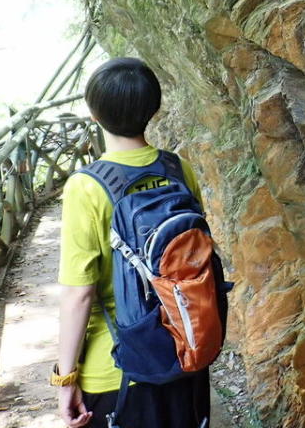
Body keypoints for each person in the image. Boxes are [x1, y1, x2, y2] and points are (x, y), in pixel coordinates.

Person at [54, 57, 211, 428]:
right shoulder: (178, 169)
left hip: (115, 367)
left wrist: (65, 378)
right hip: (183, 348)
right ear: (153, 109)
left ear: (94, 115)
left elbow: (79, 294)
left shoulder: (86, 186)